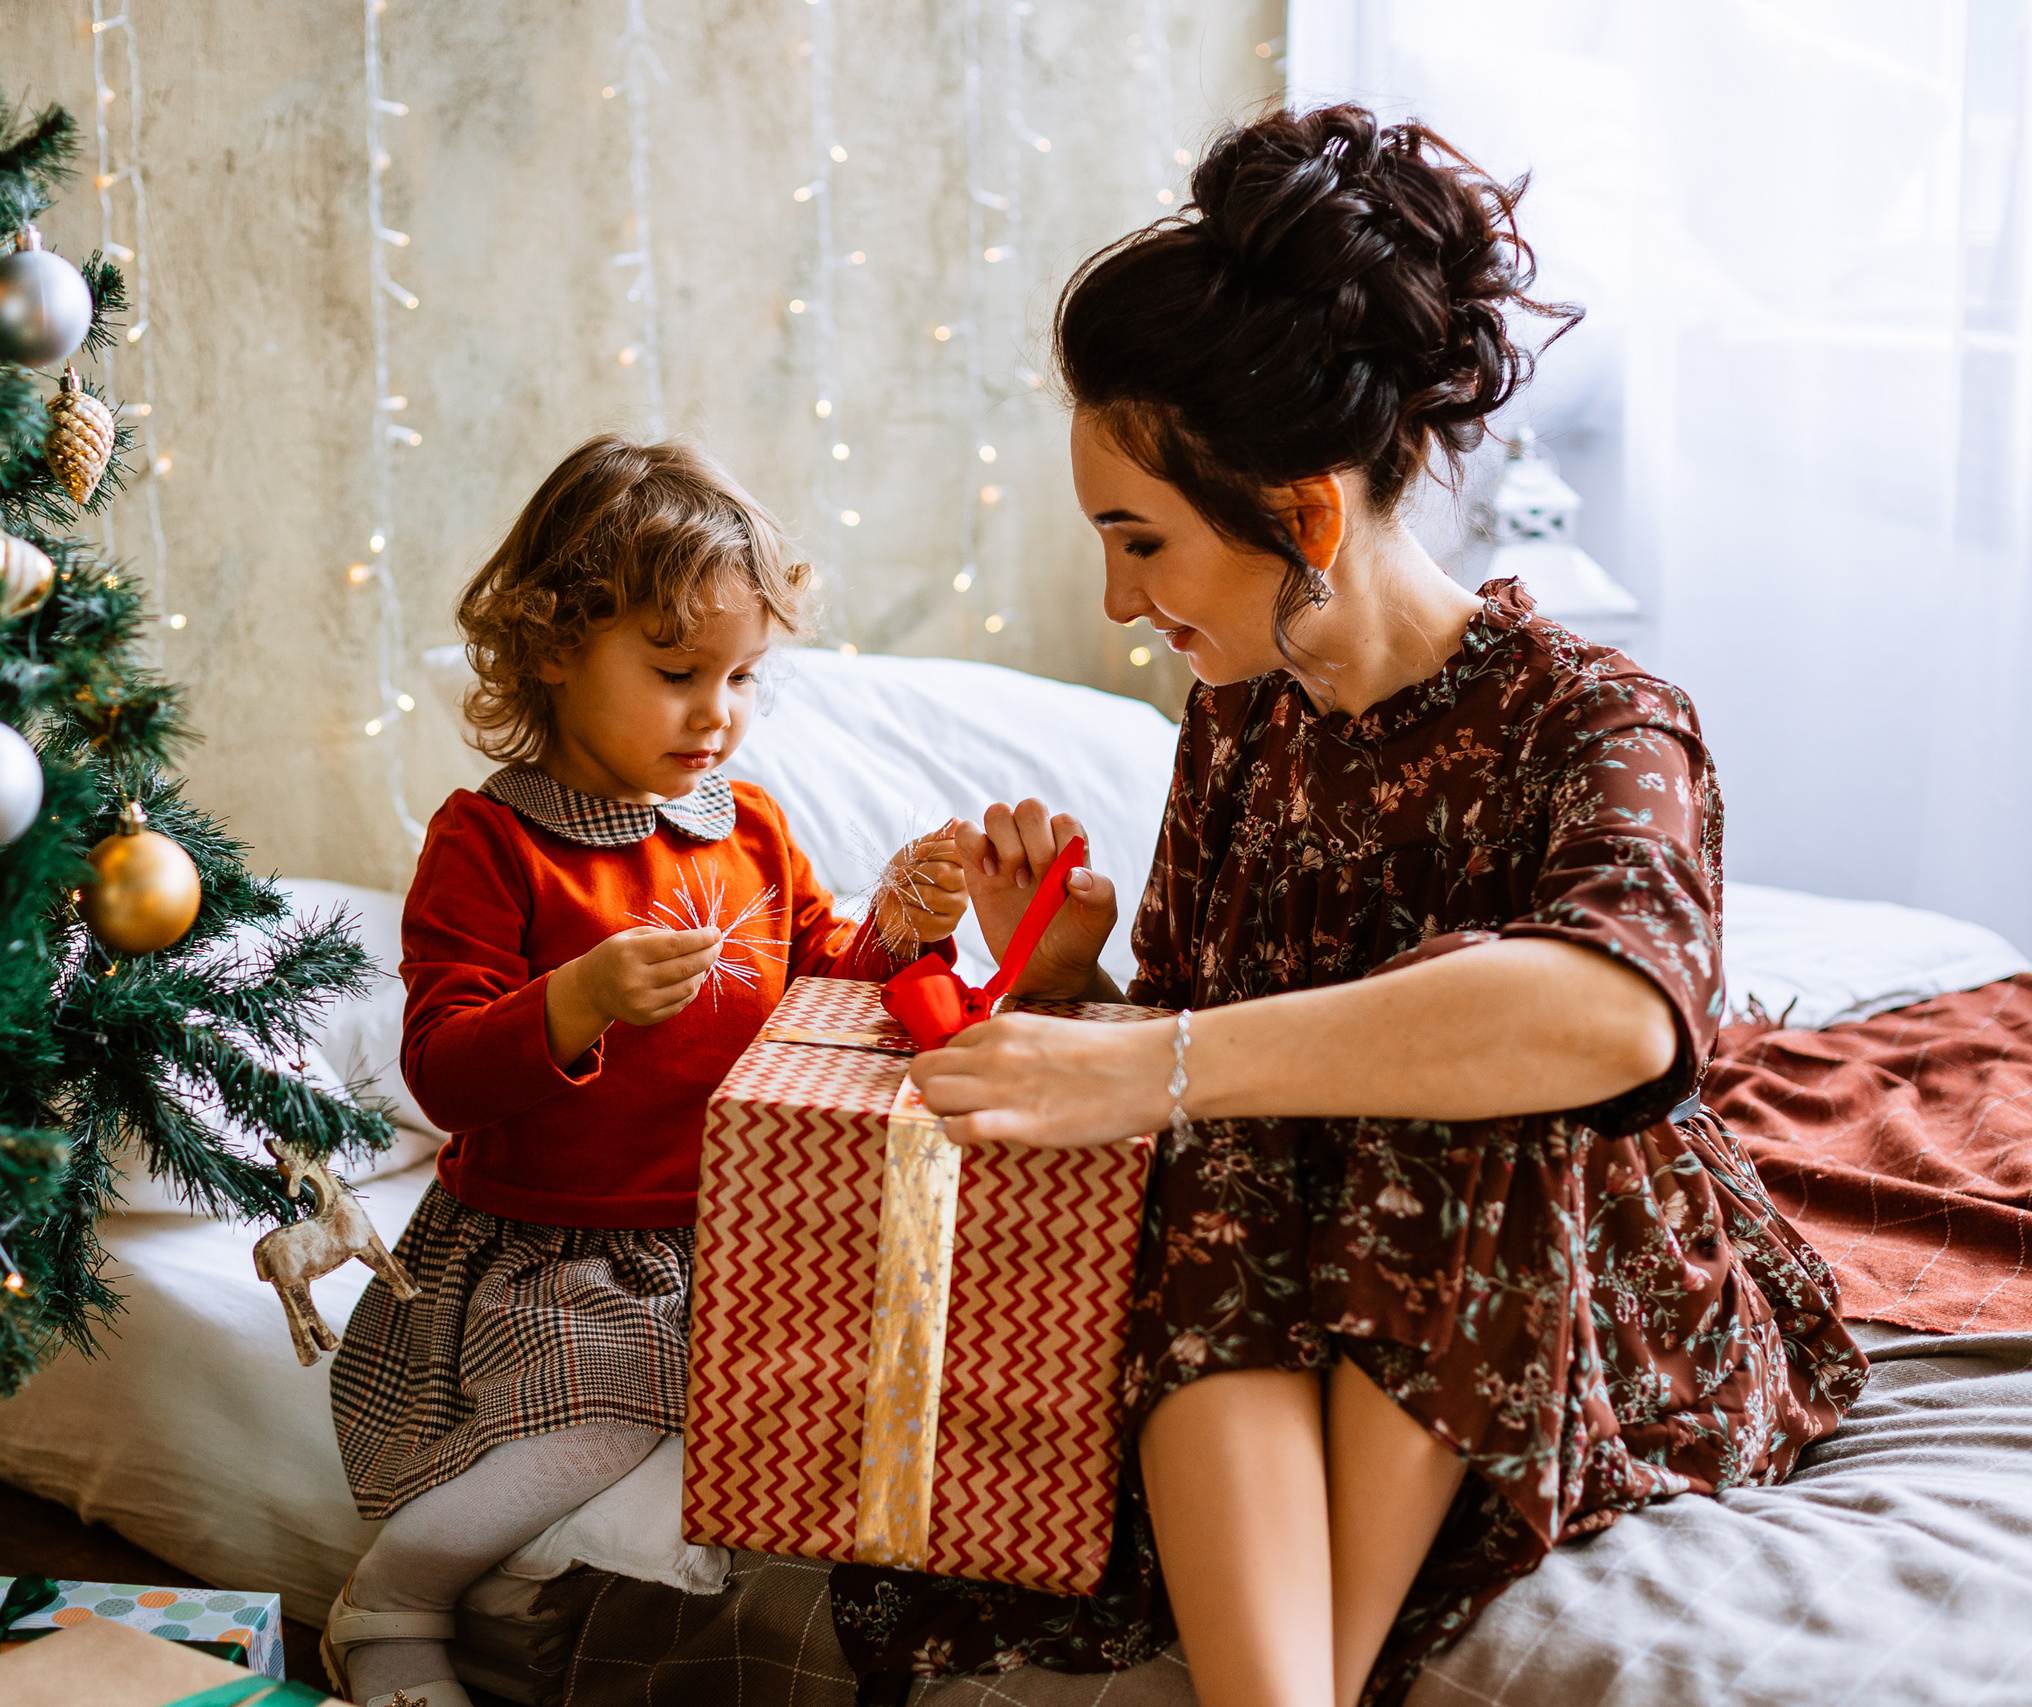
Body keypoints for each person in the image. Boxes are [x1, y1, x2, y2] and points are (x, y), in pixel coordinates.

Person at [830, 106, 1869, 1707]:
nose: (1119, 600)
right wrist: (1078, 975)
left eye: (1142, 540)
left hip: (1560, 1289)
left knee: (1471, 1025)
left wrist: (1156, 1062)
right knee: (1221, 1113)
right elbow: (1196, 1050)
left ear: (1305, 516)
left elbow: (1615, 1011)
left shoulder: (1600, 719)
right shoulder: (1242, 714)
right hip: (1291, 1273)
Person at [326, 434, 967, 1707]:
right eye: (677, 672)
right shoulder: (493, 842)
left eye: (740, 677)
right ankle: (392, 1602)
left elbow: (820, 990)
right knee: (611, 1410)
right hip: (562, 1245)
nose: (716, 712)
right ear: (553, 646)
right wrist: (571, 1000)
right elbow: (443, 1070)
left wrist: (897, 926)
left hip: (741, 1229)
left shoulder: (750, 825)